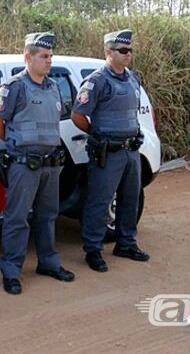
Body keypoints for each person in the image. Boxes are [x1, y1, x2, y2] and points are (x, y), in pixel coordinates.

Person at [0, 31, 74, 295]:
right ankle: (12, 272)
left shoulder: (53, 87)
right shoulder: (14, 87)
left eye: (50, 56)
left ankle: (48, 263)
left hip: (51, 165)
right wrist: (17, 146)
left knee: (48, 217)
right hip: (24, 165)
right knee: (17, 219)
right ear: (28, 57)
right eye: (44, 56)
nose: (49, 61)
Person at [71, 29, 150, 273]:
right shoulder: (97, 81)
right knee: (99, 202)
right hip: (108, 151)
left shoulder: (132, 78)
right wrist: (98, 135)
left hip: (130, 150)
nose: (128, 55)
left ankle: (126, 243)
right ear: (108, 52)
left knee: (130, 198)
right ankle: (93, 249)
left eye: (130, 50)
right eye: (123, 51)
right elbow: (78, 115)